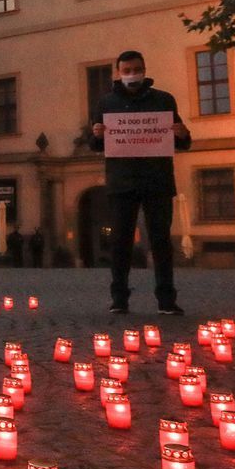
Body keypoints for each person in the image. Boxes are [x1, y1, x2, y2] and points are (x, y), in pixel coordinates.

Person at [87, 49, 192, 315]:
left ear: (144, 70)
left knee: (161, 242)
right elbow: (96, 146)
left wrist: (182, 133)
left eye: (136, 69)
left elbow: (183, 142)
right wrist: (97, 135)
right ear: (118, 72)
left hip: (157, 180)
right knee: (121, 242)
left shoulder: (164, 100)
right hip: (122, 183)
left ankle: (166, 300)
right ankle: (119, 299)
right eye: (127, 70)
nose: (132, 75)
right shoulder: (106, 103)